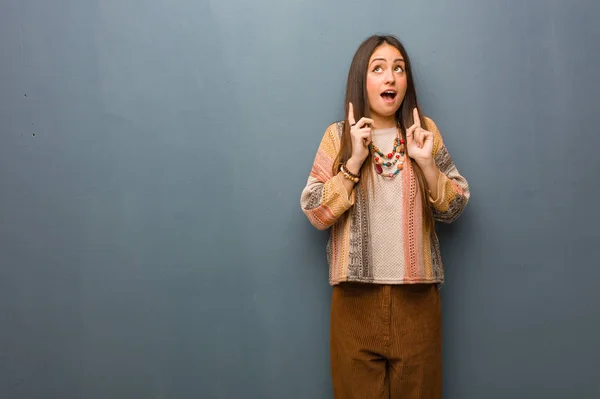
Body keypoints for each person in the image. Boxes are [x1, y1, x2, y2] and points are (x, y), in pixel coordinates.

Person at [300, 34, 470, 398]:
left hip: (418, 302)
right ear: (362, 79)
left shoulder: (424, 134)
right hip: (354, 303)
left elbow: (456, 206)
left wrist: (427, 165)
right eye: (378, 69)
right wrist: (353, 164)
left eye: (398, 69)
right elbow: (314, 211)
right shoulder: (338, 137)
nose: (390, 77)